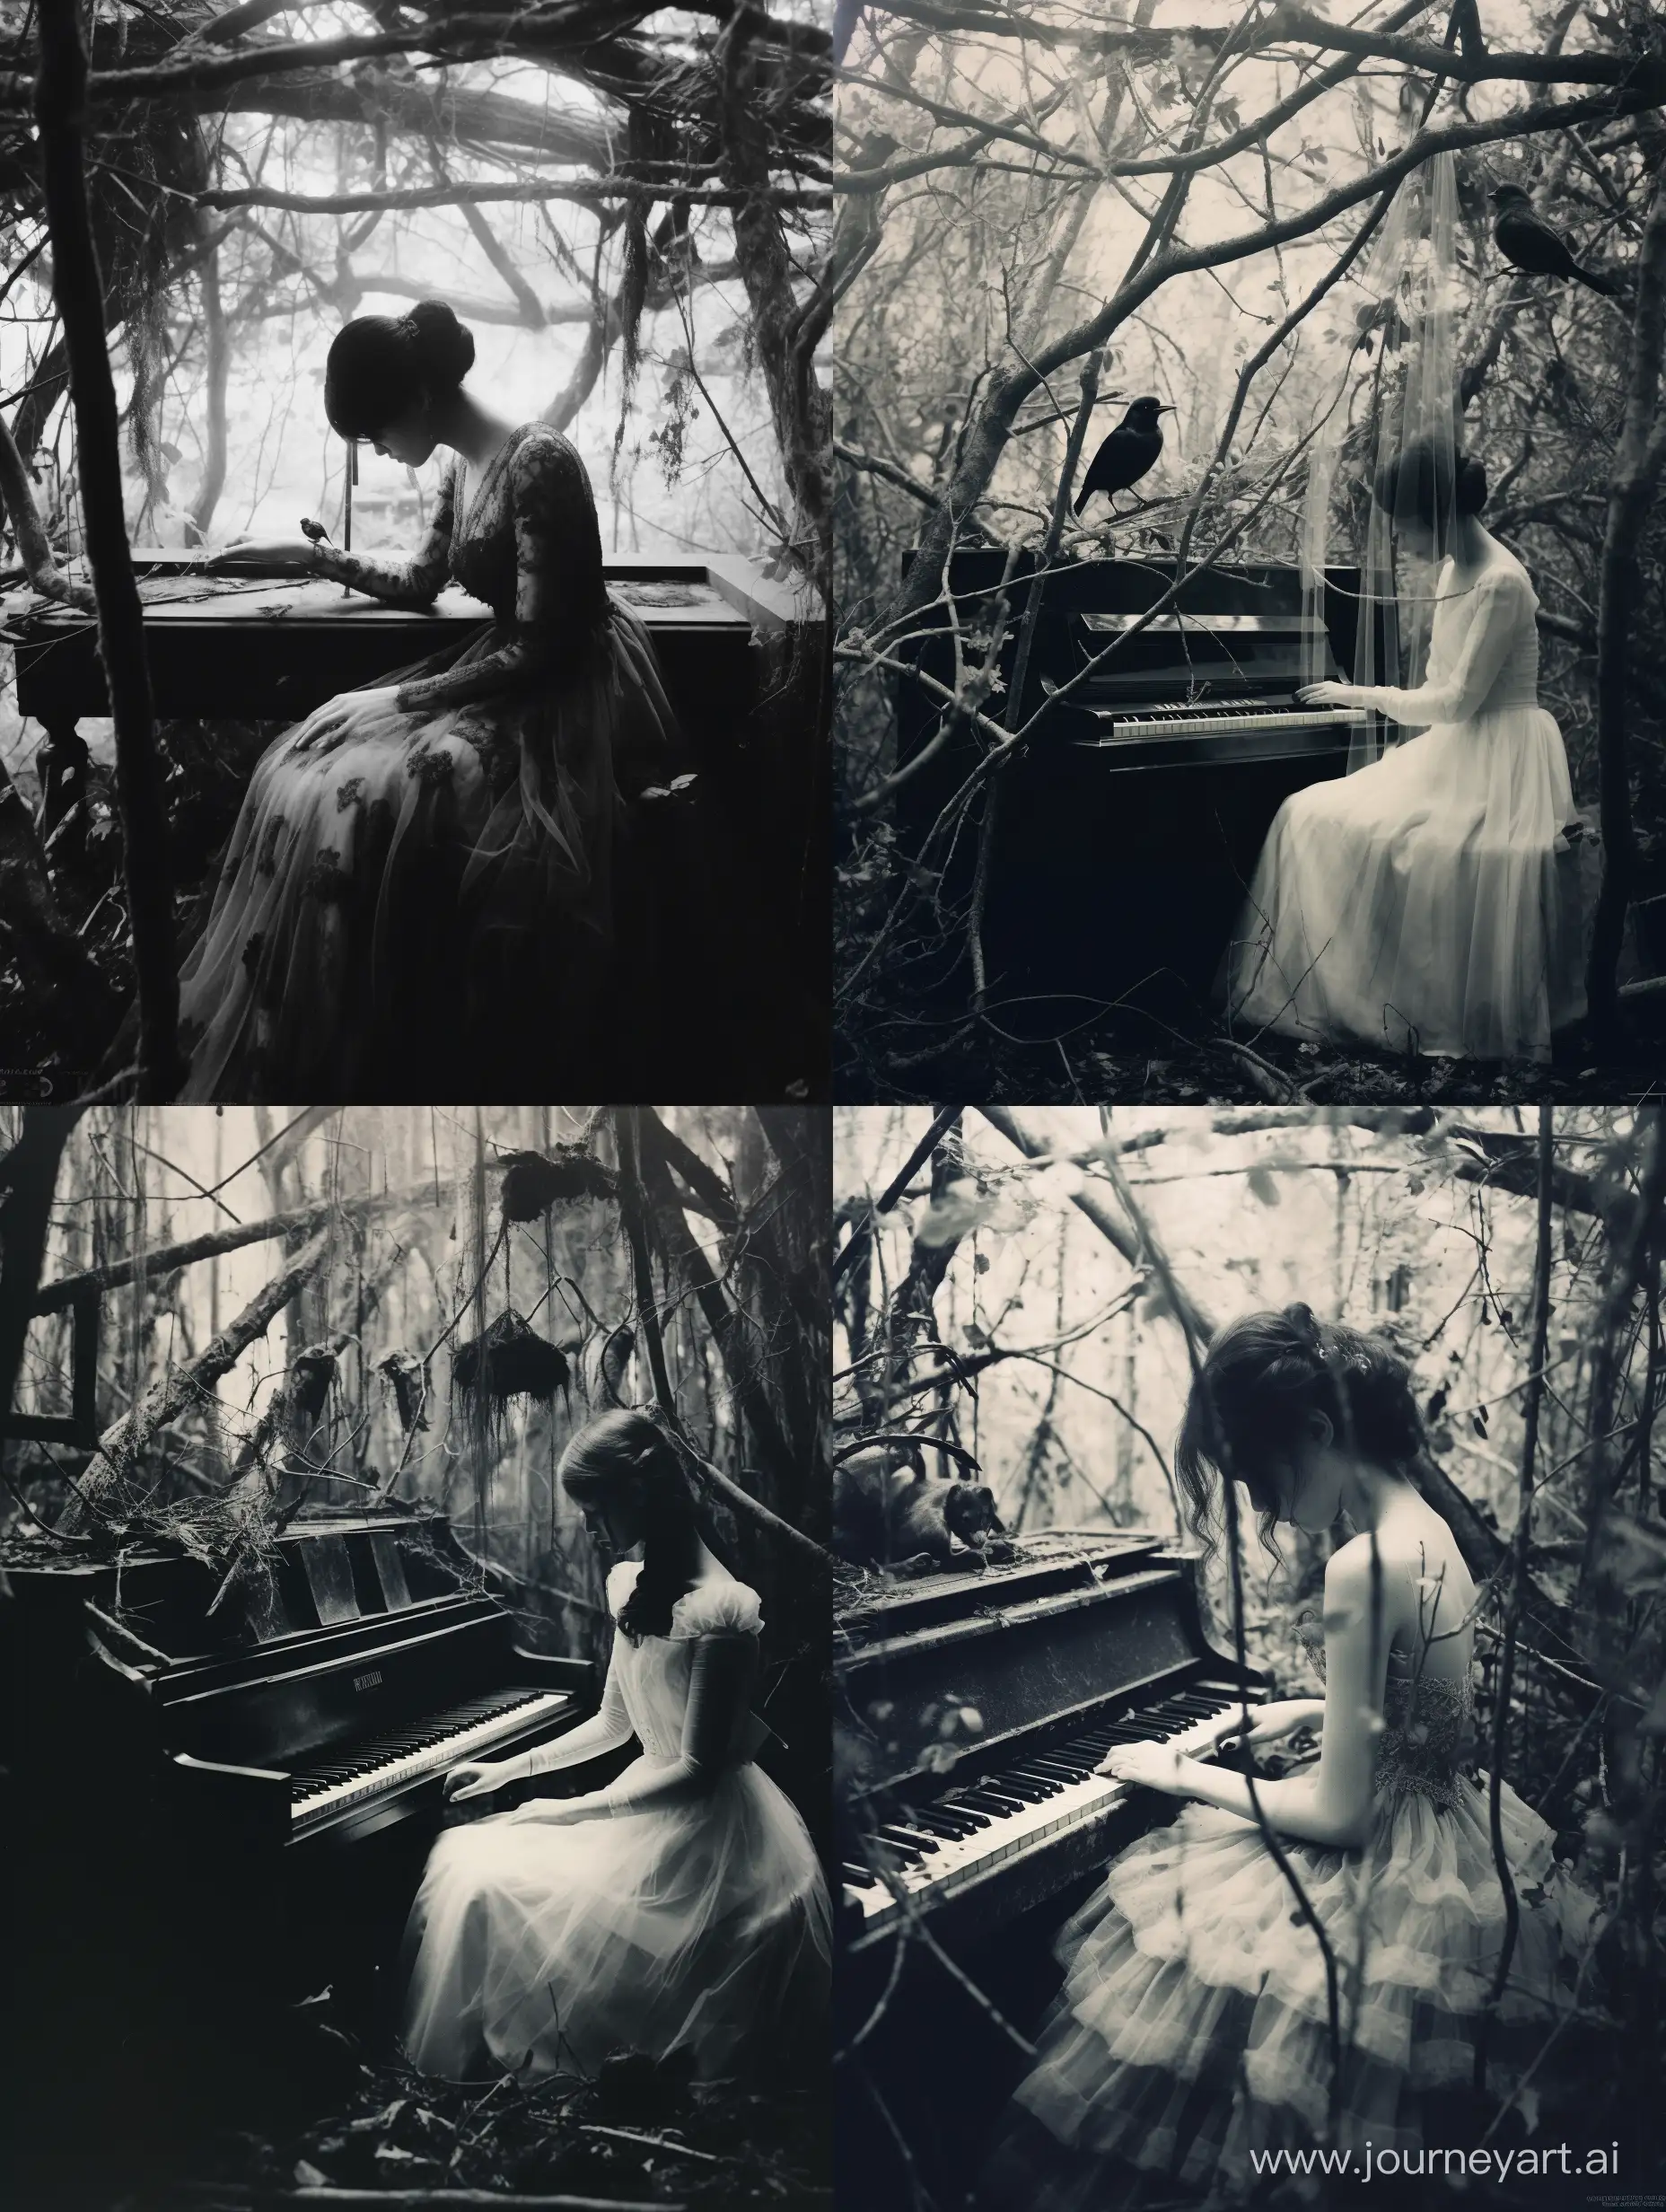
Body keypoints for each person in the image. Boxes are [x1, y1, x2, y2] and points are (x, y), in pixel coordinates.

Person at [978, 1305, 1595, 2204]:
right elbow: (1433, 1724)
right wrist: (1313, 1705)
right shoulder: (1429, 1532)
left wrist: (1180, 1772)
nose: (1262, 1503)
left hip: (1377, 1871)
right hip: (1454, 1837)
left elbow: (1341, 1817)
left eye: (1256, 1474)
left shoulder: (1359, 1565)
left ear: (1314, 1430)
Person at [180, 299, 681, 1099]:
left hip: (564, 687)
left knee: (381, 783)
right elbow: (422, 579)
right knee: (302, 765)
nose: (378, 452)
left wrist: (400, 702)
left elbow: (543, 646)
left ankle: (371, 1042)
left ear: (416, 399)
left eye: (375, 434)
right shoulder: (460, 465)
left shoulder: (540, 462)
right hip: (505, 668)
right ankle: (309, 1033)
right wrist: (312, 555)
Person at [399, 1409, 831, 2085]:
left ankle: (494, 2073)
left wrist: (566, 1811)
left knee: (488, 1877)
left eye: (595, 1509)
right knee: (469, 1857)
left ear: (636, 1494)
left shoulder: (724, 1610)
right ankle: (457, 2070)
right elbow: (612, 1724)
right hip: (640, 1813)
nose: (590, 1528)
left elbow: (694, 1771)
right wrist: (509, 1769)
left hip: (709, 1841)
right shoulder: (629, 1585)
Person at [1225, 439, 1590, 1063]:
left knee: (1414, 846)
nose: (1401, 539)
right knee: (1304, 812)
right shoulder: (1454, 568)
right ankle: (1338, 991)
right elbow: (1439, 692)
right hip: (1454, 750)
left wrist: (1357, 694)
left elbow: (1454, 702)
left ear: (1438, 515)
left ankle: (1404, 1010)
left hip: (1499, 759)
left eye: (1405, 526)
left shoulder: (1501, 582)